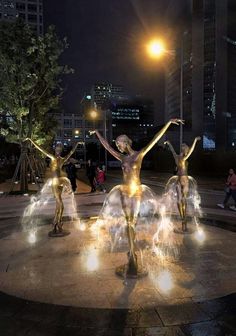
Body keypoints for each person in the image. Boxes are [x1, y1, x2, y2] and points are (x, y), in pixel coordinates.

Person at [91, 118, 183, 276]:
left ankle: (132, 253)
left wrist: (167, 123)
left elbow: (155, 139)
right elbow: (106, 146)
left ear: (126, 142)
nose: (118, 146)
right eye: (118, 145)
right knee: (128, 223)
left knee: (132, 223)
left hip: (136, 191)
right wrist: (98, 133)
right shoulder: (122, 158)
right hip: (124, 191)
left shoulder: (139, 154)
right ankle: (131, 252)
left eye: (120, 144)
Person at [25, 138, 79, 234]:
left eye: (60, 150)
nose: (58, 151)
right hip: (55, 182)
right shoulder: (52, 158)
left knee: (58, 204)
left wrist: (77, 143)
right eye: (57, 150)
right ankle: (57, 222)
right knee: (60, 204)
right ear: (55, 150)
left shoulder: (62, 159)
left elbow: (71, 152)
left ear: (61, 150)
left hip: (60, 183)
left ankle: (57, 222)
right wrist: (31, 140)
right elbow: (41, 149)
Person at [165, 136, 201, 231]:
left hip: (185, 180)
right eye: (181, 147)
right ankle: (182, 218)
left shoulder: (185, 157)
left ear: (185, 150)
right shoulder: (177, 157)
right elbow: (173, 151)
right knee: (179, 200)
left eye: (183, 148)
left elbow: (191, 150)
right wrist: (169, 144)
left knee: (183, 199)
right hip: (178, 179)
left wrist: (195, 140)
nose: (182, 149)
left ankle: (184, 219)